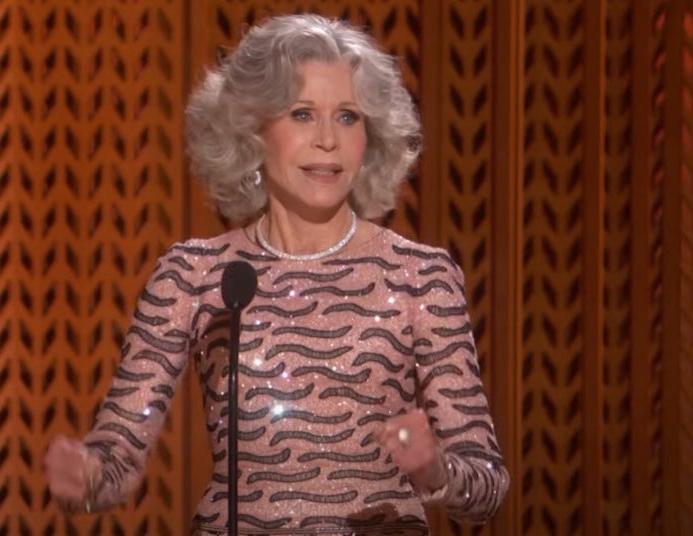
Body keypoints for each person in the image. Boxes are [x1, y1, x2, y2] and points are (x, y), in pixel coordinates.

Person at [45, 13, 510, 535]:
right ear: (253, 130)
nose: (328, 140)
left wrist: (434, 470)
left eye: (348, 116)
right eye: (302, 114)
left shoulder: (422, 276)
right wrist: (84, 476)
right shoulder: (195, 274)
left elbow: (487, 487)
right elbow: (116, 460)